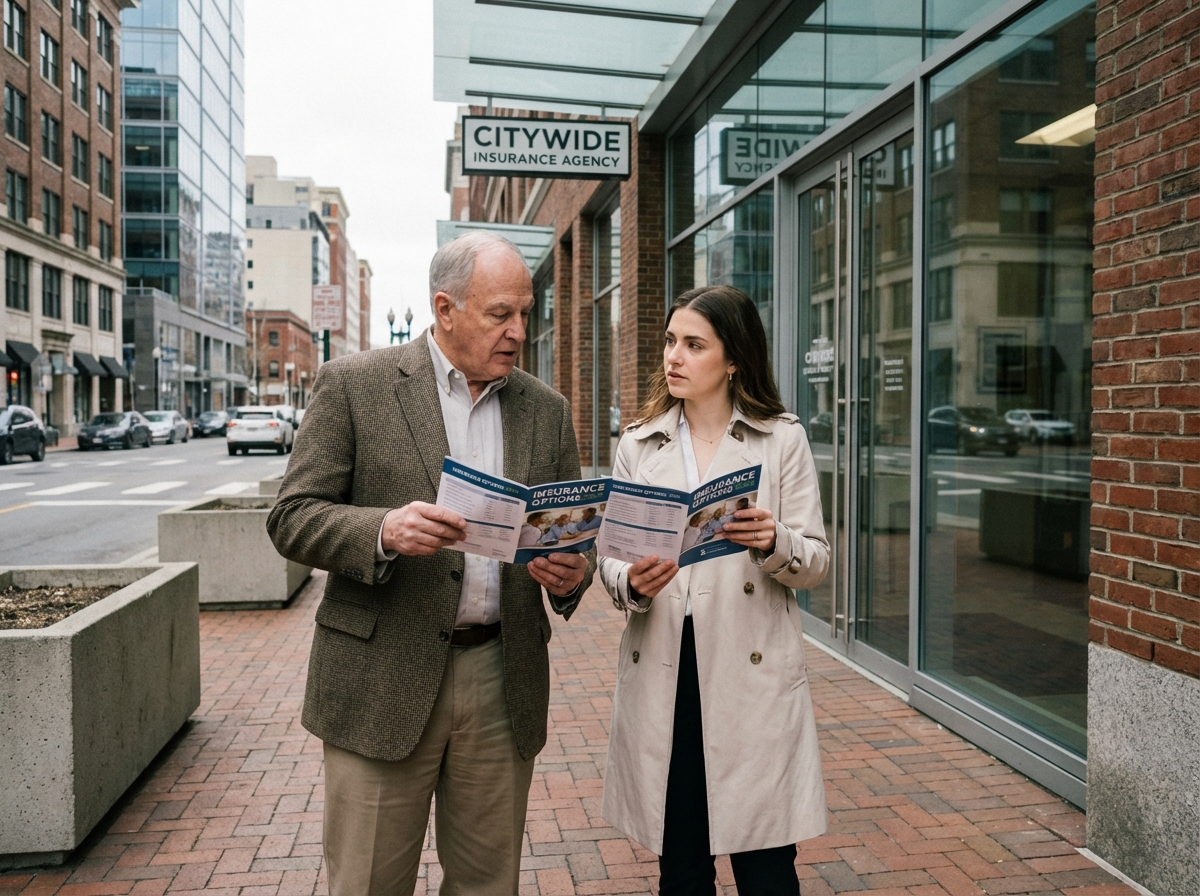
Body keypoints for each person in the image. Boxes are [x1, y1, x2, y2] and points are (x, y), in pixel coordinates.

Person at [267, 230, 595, 896]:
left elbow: (569, 539)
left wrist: (573, 574)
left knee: (487, 885)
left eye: (525, 314)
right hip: (380, 676)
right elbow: (292, 517)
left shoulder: (547, 410)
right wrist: (383, 528)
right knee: (367, 883)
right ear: (445, 309)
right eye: (500, 313)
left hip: (504, 677)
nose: (518, 331)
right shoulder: (355, 386)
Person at [597, 284, 830, 896]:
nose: (674, 356)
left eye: (694, 344)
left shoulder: (781, 440)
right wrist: (632, 582)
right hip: (667, 676)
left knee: (768, 871)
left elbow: (816, 562)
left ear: (733, 360)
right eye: (671, 341)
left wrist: (773, 539)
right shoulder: (638, 444)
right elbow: (610, 560)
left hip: (749, 677)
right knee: (683, 869)